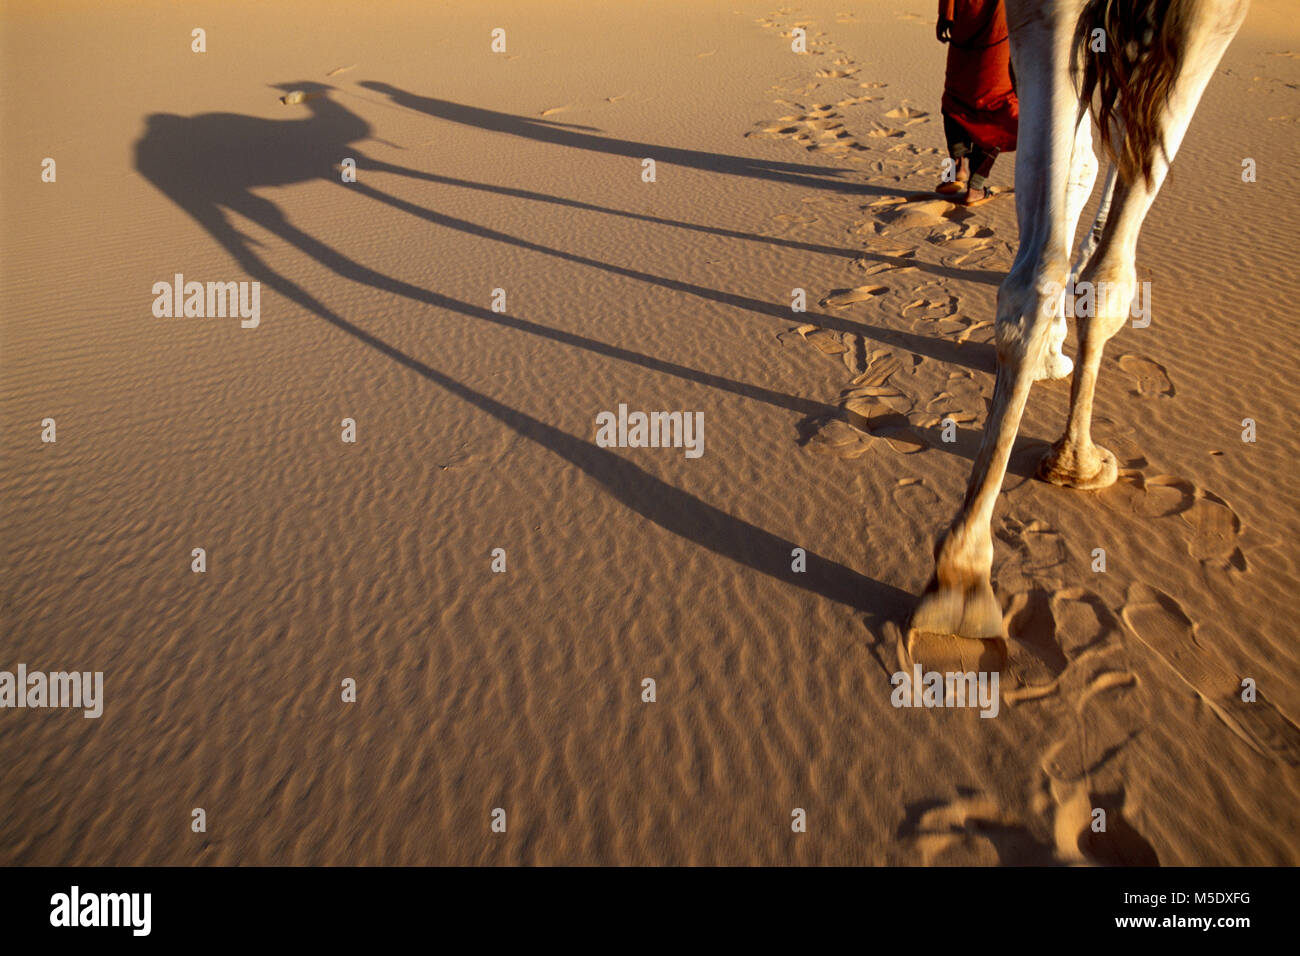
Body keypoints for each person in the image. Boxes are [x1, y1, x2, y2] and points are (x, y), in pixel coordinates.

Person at [935, 0, 1018, 206]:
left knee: (955, 97)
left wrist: (945, 14)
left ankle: (955, 168)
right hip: (1000, 30)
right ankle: (976, 188)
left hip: (965, 23)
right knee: (998, 109)